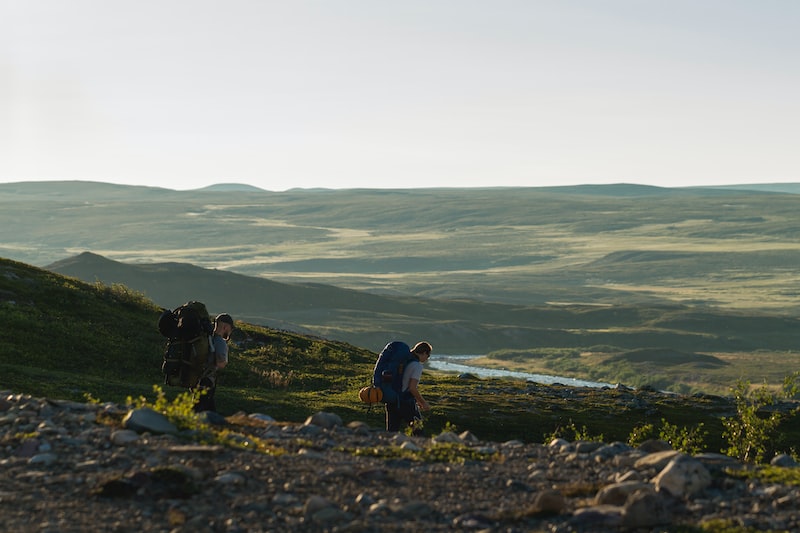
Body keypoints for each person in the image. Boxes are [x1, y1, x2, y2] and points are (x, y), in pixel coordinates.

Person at [386, 341, 432, 434]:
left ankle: (388, 448)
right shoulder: (417, 366)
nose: (427, 359)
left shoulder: (403, 361)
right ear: (424, 353)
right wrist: (423, 403)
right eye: (428, 356)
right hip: (406, 402)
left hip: (392, 400)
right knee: (418, 431)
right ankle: (416, 448)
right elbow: (412, 388)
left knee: (391, 432)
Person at [194, 313, 234, 412]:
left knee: (202, 407)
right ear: (225, 327)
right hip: (208, 379)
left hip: (196, 378)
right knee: (201, 409)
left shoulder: (207, 338)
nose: (230, 331)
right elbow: (221, 362)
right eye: (230, 329)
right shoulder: (220, 341)